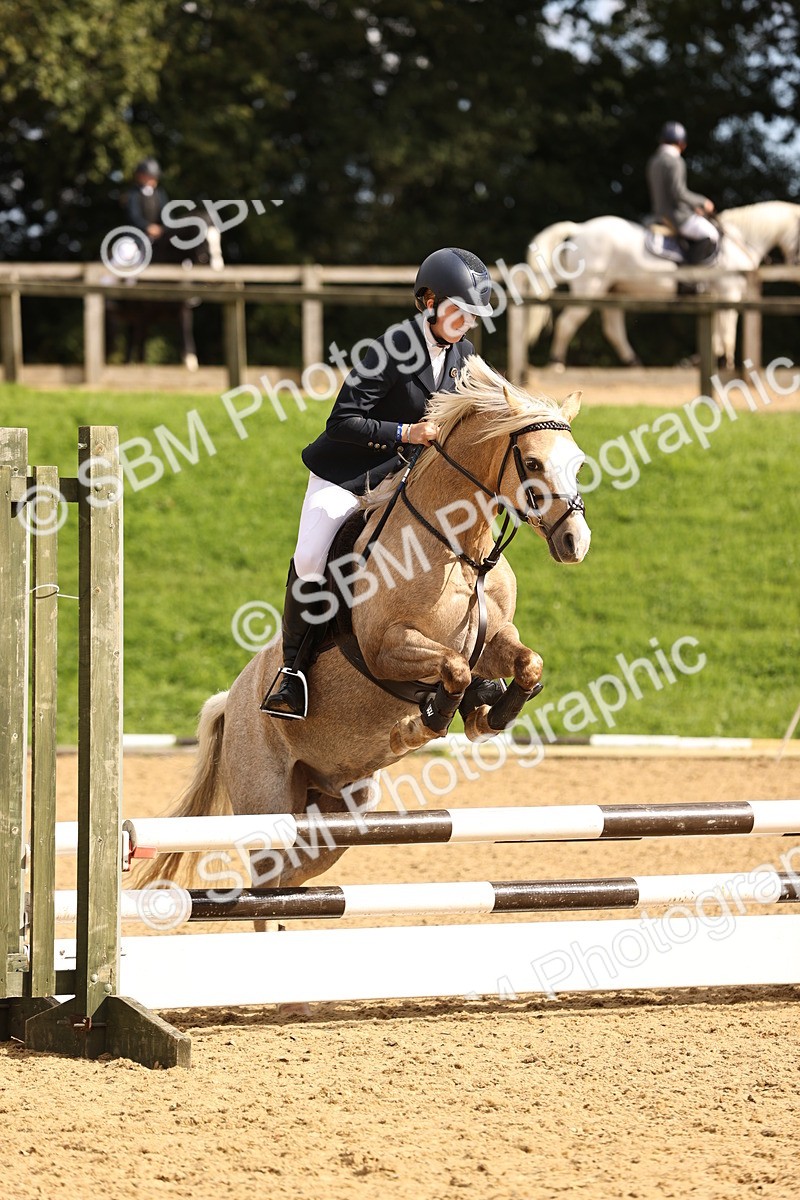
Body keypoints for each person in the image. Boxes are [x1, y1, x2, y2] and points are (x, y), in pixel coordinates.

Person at [262, 246, 494, 720]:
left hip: (407, 481)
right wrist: (405, 433)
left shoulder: (465, 356)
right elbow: (342, 421)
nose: (468, 323)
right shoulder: (390, 349)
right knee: (311, 557)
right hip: (349, 475)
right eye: (460, 311)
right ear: (428, 302)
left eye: (473, 315)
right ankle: (291, 673)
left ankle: (473, 663)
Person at [646, 122, 719, 264]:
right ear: (681, 144)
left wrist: (692, 207)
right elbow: (678, 192)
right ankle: (690, 272)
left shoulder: (654, 161)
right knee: (711, 234)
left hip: (658, 214)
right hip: (676, 217)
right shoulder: (675, 161)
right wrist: (702, 202)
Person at [126, 158, 169, 246]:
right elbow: (134, 216)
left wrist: (163, 229)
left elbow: (166, 214)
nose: (153, 180)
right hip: (137, 236)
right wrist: (147, 227)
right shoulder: (133, 194)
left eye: (154, 177)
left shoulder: (160, 194)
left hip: (158, 236)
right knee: (127, 249)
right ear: (140, 176)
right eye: (150, 176)